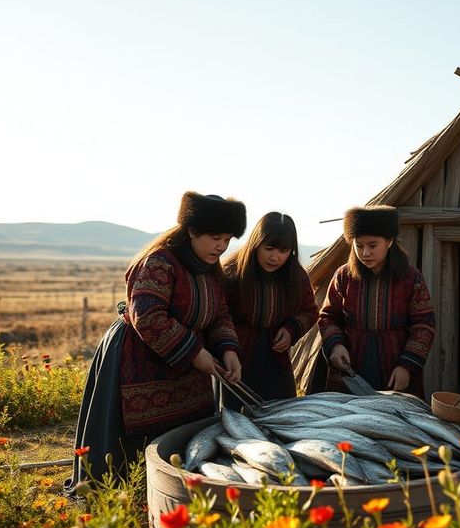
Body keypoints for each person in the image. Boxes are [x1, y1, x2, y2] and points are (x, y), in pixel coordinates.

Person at [68, 192, 247, 488]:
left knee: (186, 435)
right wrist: (194, 353)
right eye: (215, 237)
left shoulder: (210, 269)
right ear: (192, 231)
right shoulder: (161, 262)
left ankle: (175, 487)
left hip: (187, 366)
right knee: (129, 446)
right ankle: (119, 491)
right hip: (138, 356)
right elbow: (148, 316)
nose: (222, 246)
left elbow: (219, 314)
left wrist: (228, 349)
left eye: (227, 239)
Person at [313, 206, 435, 396]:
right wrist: (336, 345)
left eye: (372, 245)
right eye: (359, 245)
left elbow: (424, 325)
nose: (365, 253)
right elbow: (328, 316)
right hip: (350, 364)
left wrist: (407, 365)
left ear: (389, 241)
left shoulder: (410, 279)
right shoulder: (343, 276)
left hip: (394, 366)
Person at [219, 211, 316, 400]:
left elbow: (310, 310)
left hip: (276, 360)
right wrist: (227, 347)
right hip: (235, 359)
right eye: (269, 248)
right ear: (257, 243)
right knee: (238, 418)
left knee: (283, 415)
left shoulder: (296, 275)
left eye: (283, 251)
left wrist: (291, 329)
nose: (275, 257)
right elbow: (218, 315)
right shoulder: (232, 271)